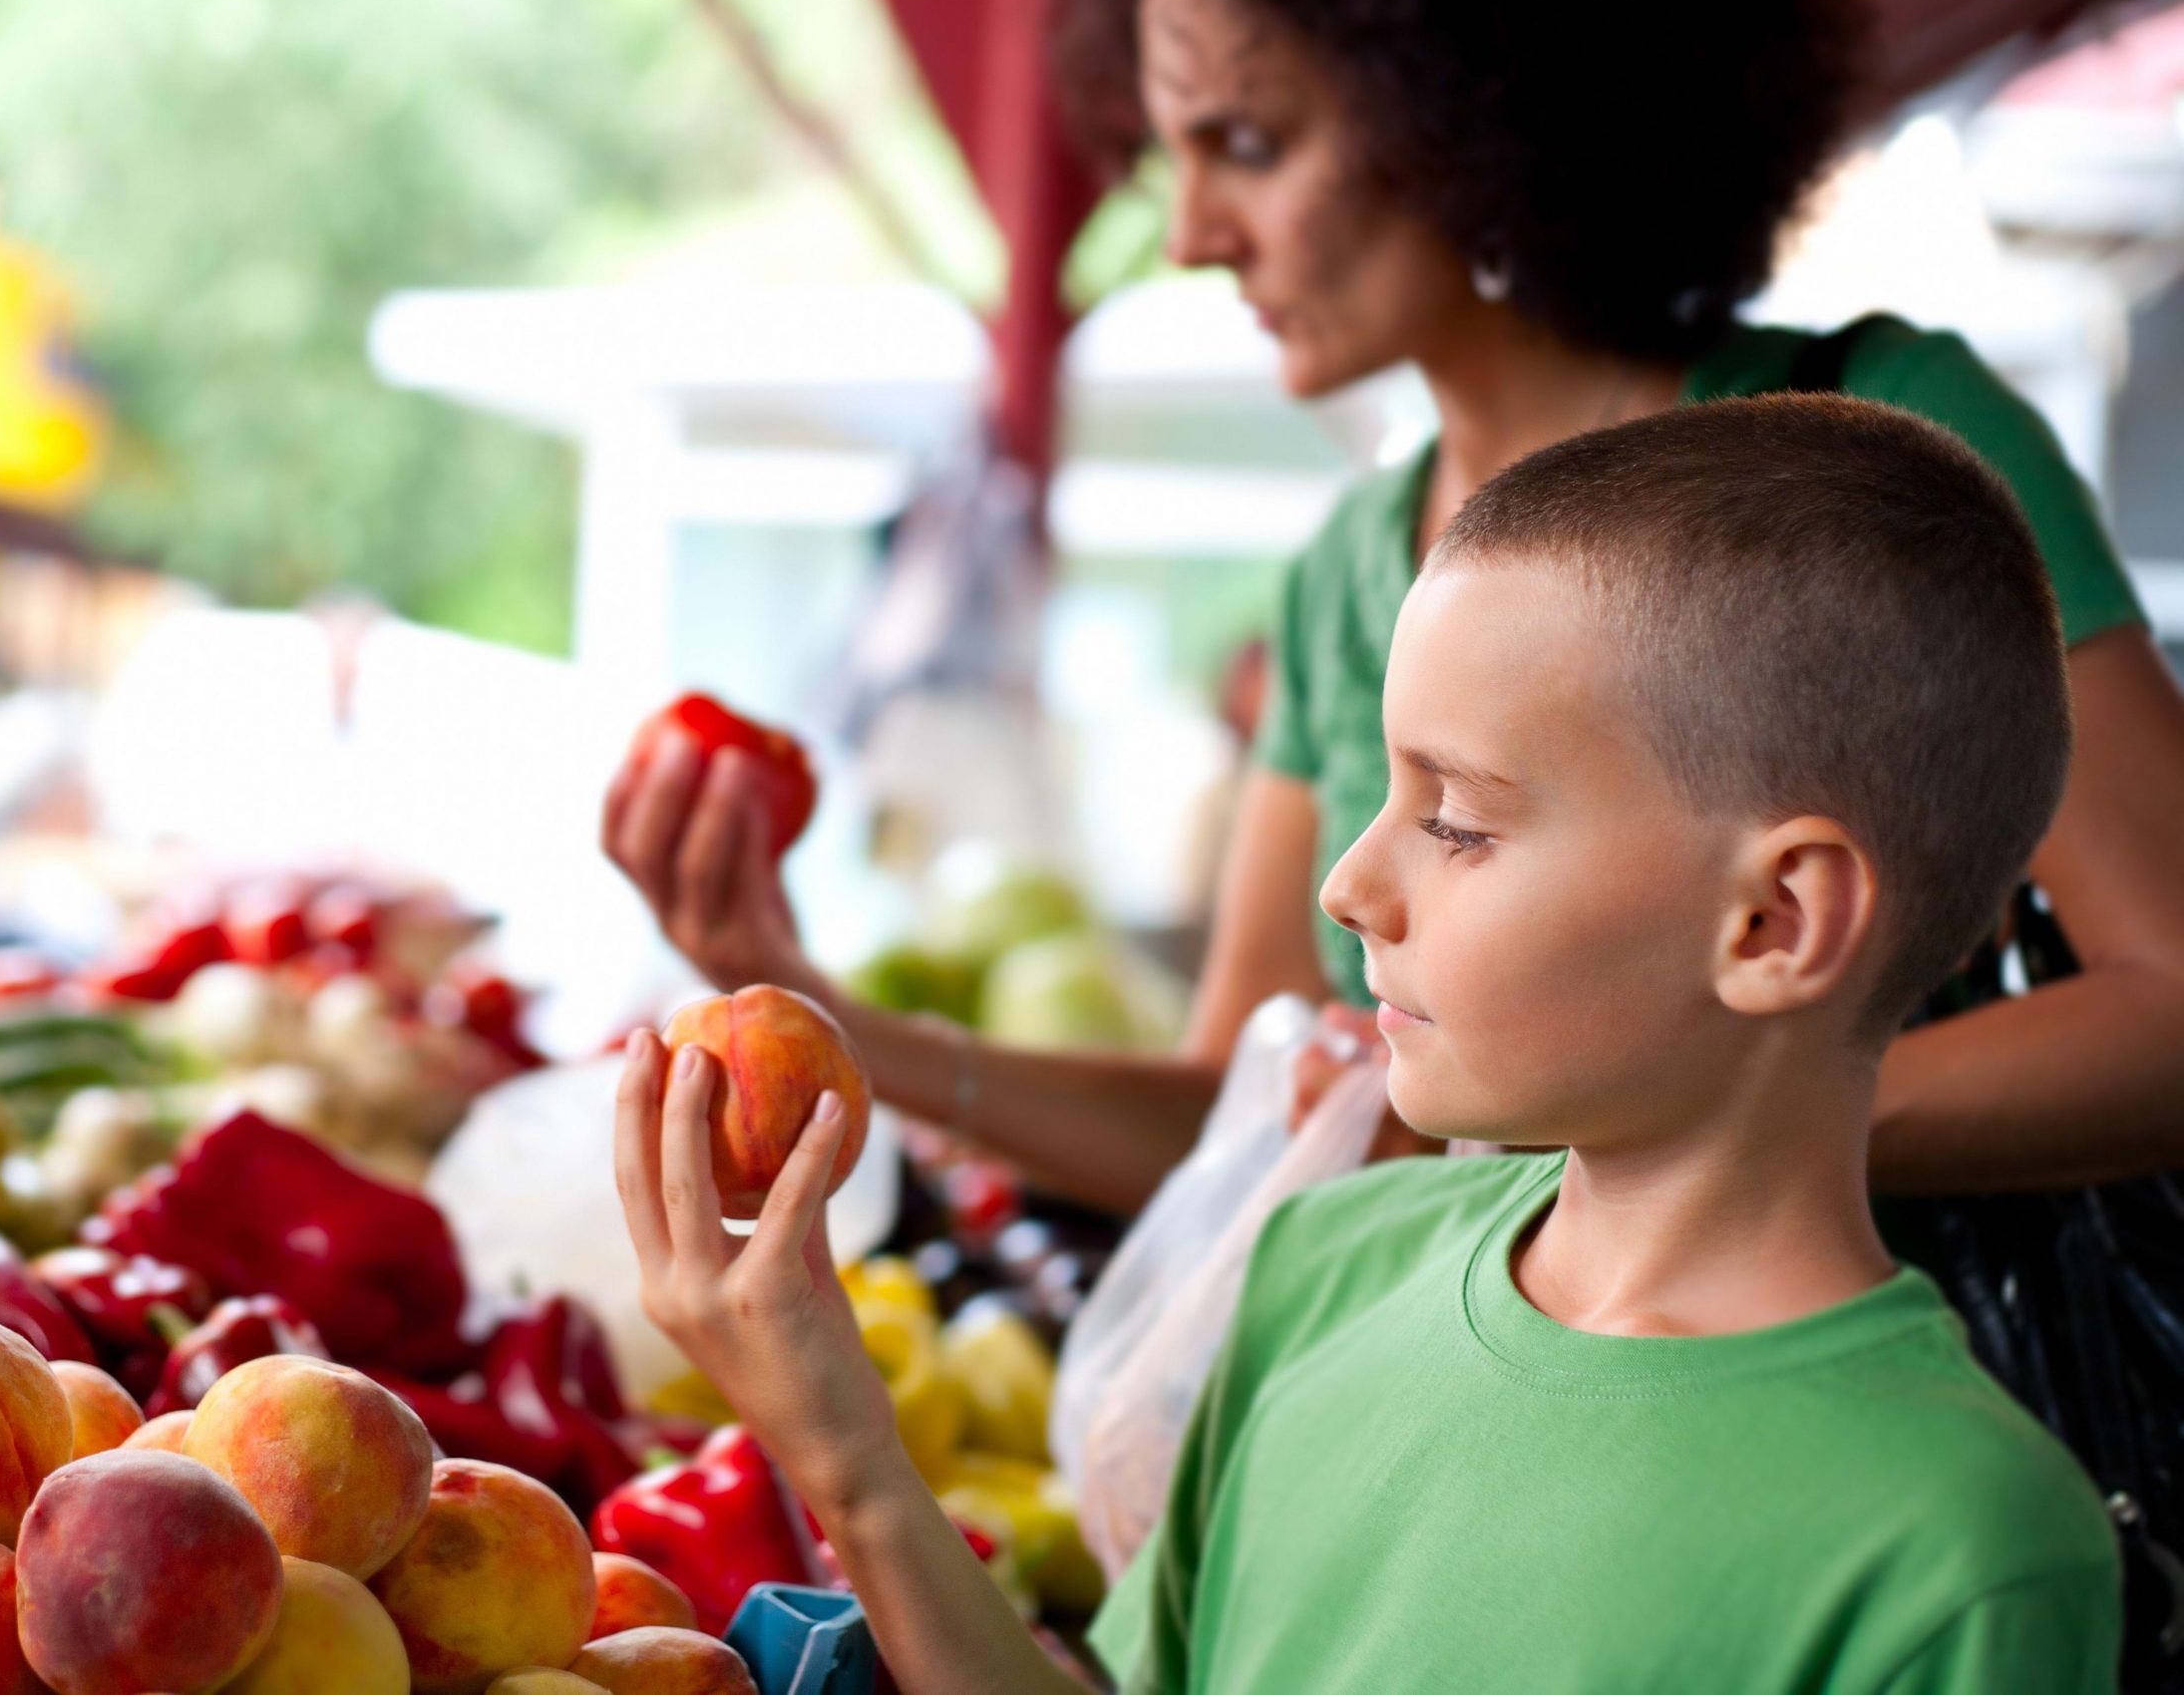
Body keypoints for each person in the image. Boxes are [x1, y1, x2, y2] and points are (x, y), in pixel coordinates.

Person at [613, 395, 2121, 1692]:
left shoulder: (1964, 1553)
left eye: (1456, 821)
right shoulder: (1322, 1268)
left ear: (1775, 923)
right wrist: (844, 1454)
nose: (1349, 885)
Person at [601, 0, 2184, 1212]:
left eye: (1250, 145)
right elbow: (1242, 1113)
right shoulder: (1353, 566)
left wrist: (1693, 1110)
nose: (1191, 234)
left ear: (1488, 108)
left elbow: (2167, 1010)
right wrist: (822, 1019)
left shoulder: (1899, 443)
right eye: (1176, 156)